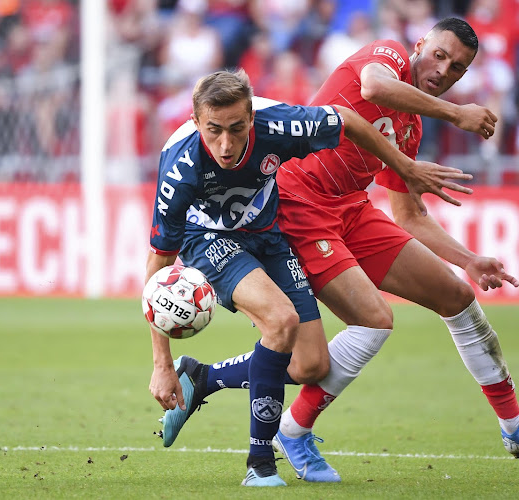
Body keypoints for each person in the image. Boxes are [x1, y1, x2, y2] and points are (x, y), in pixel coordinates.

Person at [158, 19, 519, 483]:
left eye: (458, 68)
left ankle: (515, 425)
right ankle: (294, 429)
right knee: (369, 322)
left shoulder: (410, 128)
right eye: (439, 55)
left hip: (351, 212)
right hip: (300, 206)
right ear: (420, 44)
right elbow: (374, 87)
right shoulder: (388, 56)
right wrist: (457, 113)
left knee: (456, 295)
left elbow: (410, 215)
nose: (444, 70)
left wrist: (467, 260)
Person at [146, 69, 473, 487]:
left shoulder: (279, 125)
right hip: (207, 237)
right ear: (195, 122)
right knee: (280, 322)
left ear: (252, 117)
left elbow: (348, 120)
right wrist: (160, 364)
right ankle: (259, 464)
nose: (225, 145)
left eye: (236, 128)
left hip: (267, 233)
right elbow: (158, 268)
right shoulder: (181, 171)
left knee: (310, 365)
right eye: (213, 131)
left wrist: (405, 168)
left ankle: (203, 377)